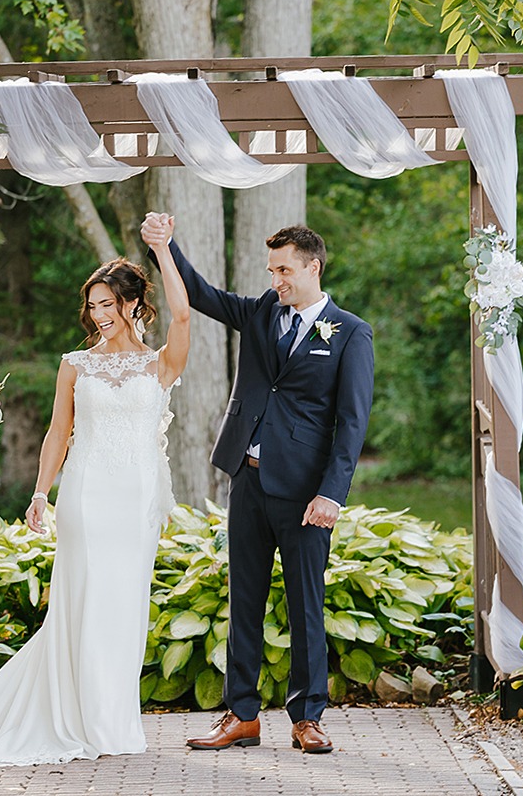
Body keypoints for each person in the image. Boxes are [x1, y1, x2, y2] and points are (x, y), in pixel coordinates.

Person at [141, 216, 374, 754]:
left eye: (285, 270)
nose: (276, 281)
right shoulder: (263, 312)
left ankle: (307, 717)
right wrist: (164, 244)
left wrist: (332, 493)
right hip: (246, 480)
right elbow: (200, 294)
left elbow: (352, 422)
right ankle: (241, 715)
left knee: (305, 604)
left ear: (313, 267)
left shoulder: (350, 333)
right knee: (243, 598)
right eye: (271, 270)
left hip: (305, 495)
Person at [0, 218, 189, 766]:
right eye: (92, 306)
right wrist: (41, 493)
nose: (99, 315)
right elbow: (57, 432)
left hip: (136, 502)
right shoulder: (75, 365)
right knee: (86, 602)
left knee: (124, 606)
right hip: (86, 494)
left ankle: (113, 718)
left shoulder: (160, 362)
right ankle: (82, 721)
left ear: (133, 305)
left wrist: (164, 250)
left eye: (108, 305)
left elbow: (185, 314)